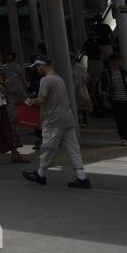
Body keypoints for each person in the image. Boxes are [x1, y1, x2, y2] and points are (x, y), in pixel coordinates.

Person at [22, 58, 91, 188]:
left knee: (48, 147)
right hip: (67, 119)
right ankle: (81, 177)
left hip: (53, 120)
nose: (37, 69)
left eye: (37, 66)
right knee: (73, 149)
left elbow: (42, 99)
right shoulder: (59, 79)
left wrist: (30, 101)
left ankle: (40, 174)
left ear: (42, 66)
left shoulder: (46, 80)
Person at [96, 54, 127, 146]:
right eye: (118, 61)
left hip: (125, 99)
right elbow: (103, 88)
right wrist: (108, 93)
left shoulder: (123, 72)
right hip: (115, 100)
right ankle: (123, 138)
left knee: (126, 119)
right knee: (119, 120)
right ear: (112, 62)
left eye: (120, 61)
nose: (120, 63)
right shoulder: (106, 73)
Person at [72, 48, 92, 129]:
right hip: (80, 88)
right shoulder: (80, 67)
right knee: (82, 105)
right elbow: (86, 78)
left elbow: (86, 78)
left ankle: (83, 121)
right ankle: (83, 121)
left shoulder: (77, 67)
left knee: (81, 105)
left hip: (78, 88)